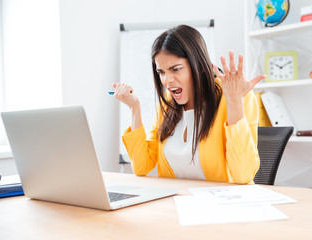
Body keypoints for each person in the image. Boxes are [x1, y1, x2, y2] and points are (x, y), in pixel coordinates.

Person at [112, 25, 265, 184]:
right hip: (176, 202)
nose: (167, 80)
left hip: (220, 203)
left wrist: (234, 102)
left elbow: (243, 175)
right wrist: (134, 108)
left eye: (175, 69)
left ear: (197, 64)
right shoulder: (167, 104)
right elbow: (141, 166)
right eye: (161, 72)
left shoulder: (237, 97)